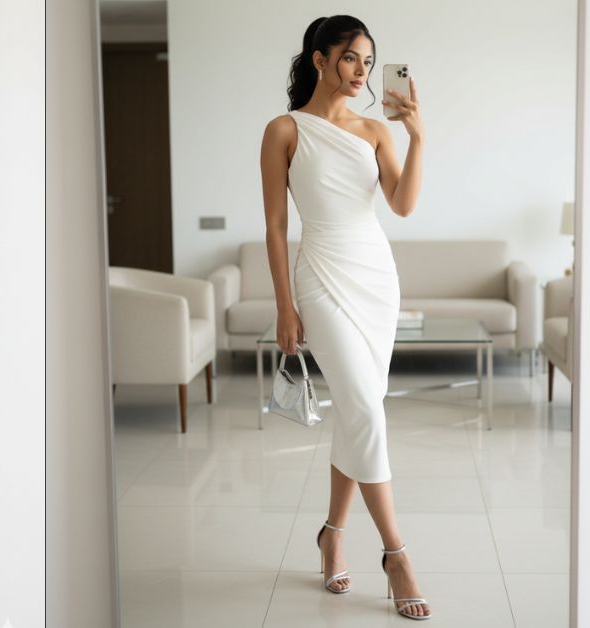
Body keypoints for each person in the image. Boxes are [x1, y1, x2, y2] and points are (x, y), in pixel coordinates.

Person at [259, 15, 431, 621]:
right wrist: (284, 304)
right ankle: (396, 553)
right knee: (363, 406)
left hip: (375, 280)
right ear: (320, 59)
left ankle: (332, 534)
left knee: (359, 412)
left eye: (368, 61)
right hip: (321, 276)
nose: (362, 71)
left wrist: (416, 138)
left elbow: (402, 206)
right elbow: (275, 226)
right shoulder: (284, 130)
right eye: (352, 58)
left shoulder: (376, 130)